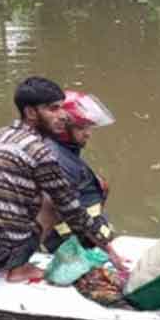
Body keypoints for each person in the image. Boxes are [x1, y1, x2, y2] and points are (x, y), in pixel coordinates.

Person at [0, 76, 125, 282]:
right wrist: (109, 250)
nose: (63, 116)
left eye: (61, 108)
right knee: (50, 201)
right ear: (31, 113)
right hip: (0, 257)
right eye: (53, 109)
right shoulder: (40, 152)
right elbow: (71, 209)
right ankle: (19, 269)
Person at [37, 90, 116, 253]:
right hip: (69, 249)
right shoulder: (57, 161)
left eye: (89, 127)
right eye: (81, 128)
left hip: (84, 239)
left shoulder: (64, 152)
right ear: (61, 128)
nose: (88, 134)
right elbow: (46, 213)